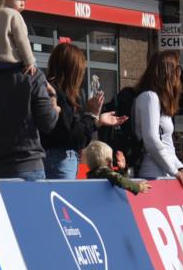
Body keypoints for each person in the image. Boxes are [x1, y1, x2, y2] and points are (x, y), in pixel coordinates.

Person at [40, 42, 125, 179]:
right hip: (59, 160)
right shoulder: (56, 94)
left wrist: (97, 121)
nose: (83, 73)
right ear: (72, 70)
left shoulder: (55, 92)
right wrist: (91, 115)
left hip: (58, 159)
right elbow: (74, 137)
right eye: (81, 69)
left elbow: (73, 132)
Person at [134, 50, 183, 190]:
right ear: (167, 71)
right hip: (153, 174)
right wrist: (175, 171)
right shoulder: (150, 97)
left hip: (164, 173)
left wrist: (179, 168)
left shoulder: (158, 100)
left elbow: (167, 144)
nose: (180, 74)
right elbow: (151, 140)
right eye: (178, 69)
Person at [83, 140, 150, 194]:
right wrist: (137, 187)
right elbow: (119, 180)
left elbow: (118, 179)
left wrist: (122, 170)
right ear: (108, 161)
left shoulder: (93, 174)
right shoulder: (104, 172)